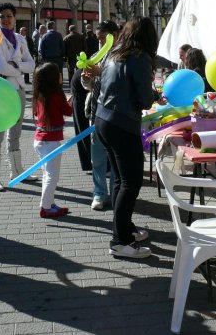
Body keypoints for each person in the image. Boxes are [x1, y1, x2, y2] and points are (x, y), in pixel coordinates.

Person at [95, 17, 158, 258]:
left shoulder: (115, 54)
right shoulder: (140, 57)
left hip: (104, 119)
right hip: (121, 123)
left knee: (122, 180)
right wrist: (153, 94)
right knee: (130, 181)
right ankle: (120, 241)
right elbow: (143, 100)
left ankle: (125, 228)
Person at [0, 3, 36, 191]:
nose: (6, 19)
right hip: (0, 91)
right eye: (2, 16)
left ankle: (17, 172)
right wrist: (19, 66)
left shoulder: (20, 39)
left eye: (9, 16)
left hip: (19, 90)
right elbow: (1, 68)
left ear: (14, 18)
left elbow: (31, 65)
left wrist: (14, 66)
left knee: (15, 133)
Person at [81, 20, 120, 211]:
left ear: (115, 35)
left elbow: (118, 82)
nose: (100, 42)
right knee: (97, 158)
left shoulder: (122, 57)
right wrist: (86, 78)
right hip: (96, 112)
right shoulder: (96, 56)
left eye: (104, 38)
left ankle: (115, 192)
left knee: (114, 157)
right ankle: (99, 193)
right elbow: (89, 86)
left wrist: (101, 72)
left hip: (115, 114)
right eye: (98, 39)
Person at [32, 62, 73, 218]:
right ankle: (46, 207)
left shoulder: (39, 95)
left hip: (39, 140)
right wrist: (71, 100)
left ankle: (49, 203)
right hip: (50, 142)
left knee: (47, 174)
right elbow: (68, 112)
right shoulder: (57, 95)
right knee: (52, 176)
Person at [70, 68, 92, 172]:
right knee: (85, 131)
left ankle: (88, 163)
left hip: (80, 97)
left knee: (83, 131)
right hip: (81, 99)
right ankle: (89, 163)